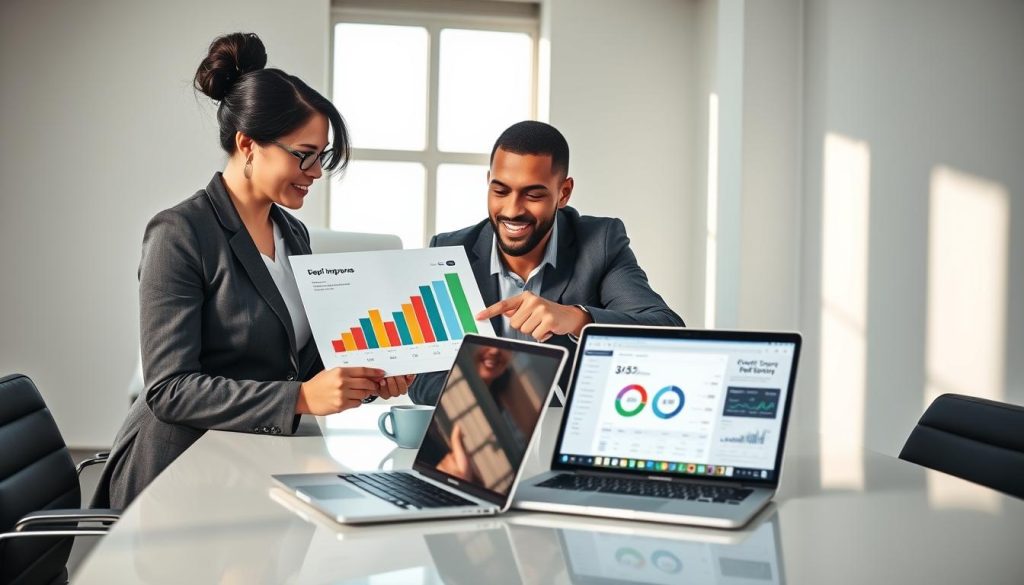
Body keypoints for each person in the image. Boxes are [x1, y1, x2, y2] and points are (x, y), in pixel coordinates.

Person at [93, 32, 413, 509]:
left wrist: (365, 377)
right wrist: (300, 399)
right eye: (304, 154)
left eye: (320, 156)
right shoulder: (179, 233)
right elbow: (169, 390)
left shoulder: (293, 234)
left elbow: (294, 363)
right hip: (177, 473)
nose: (316, 170)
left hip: (254, 460)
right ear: (248, 145)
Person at [409, 121, 684, 405]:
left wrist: (578, 319)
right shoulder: (450, 251)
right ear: (488, 181)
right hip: (482, 435)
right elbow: (422, 381)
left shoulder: (600, 243)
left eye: (534, 195)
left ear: (563, 193)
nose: (512, 210)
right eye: (500, 191)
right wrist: (504, 390)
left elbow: (668, 331)